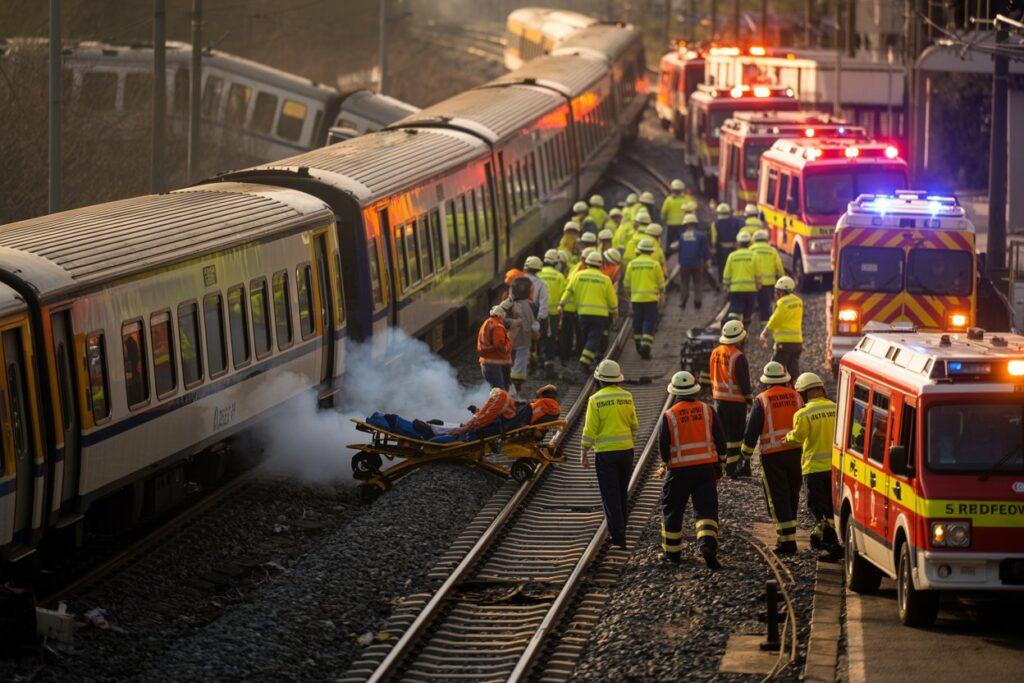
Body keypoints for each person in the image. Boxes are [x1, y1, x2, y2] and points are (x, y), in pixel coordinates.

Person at [658, 371, 726, 568]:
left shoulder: (669, 415)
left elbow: (664, 448)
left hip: (678, 471)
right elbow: (720, 441)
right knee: (706, 509)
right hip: (705, 469)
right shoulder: (707, 410)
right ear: (694, 390)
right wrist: (720, 463)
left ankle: (672, 554)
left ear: (675, 392)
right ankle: (707, 546)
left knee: (672, 509)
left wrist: (666, 463)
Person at [741, 361, 803, 555]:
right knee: (793, 492)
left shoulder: (762, 400)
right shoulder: (797, 397)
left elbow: (752, 430)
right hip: (796, 452)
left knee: (778, 496)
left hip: (772, 456)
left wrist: (745, 455)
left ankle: (787, 541)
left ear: (766, 381)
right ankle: (790, 536)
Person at [581, 359, 639, 548]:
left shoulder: (595, 400)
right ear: (618, 379)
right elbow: (634, 425)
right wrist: (632, 444)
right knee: (622, 492)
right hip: (626, 452)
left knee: (610, 494)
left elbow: (590, 429)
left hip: (606, 454)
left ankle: (618, 537)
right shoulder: (627, 396)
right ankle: (621, 527)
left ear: (599, 380)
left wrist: (584, 451)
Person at [786, 372, 841, 561]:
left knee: (818, 508)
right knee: (833, 507)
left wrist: (785, 438)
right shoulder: (836, 408)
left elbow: (797, 438)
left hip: (814, 469)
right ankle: (820, 538)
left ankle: (832, 545)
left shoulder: (803, 414)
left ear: (804, 394)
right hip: (835, 469)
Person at [560, 250, 618, 369]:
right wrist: (614, 311)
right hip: (600, 315)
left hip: (582, 314)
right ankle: (585, 362)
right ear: (600, 264)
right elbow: (612, 299)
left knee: (586, 337)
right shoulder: (605, 279)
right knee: (594, 338)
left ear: (587, 263)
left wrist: (561, 304)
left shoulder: (578, 276)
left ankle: (586, 359)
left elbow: (568, 291)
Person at [710, 320, 753, 477]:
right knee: (735, 436)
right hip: (735, 403)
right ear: (740, 338)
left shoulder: (715, 352)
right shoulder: (738, 356)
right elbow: (744, 382)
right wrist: (749, 400)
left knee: (723, 434)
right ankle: (732, 468)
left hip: (718, 401)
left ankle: (723, 464)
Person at [623, 238, 665, 359]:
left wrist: (631, 296)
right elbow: (661, 284)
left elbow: (626, 284)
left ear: (639, 250)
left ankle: (638, 346)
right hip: (651, 300)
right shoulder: (655, 264)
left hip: (636, 300)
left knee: (637, 323)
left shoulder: (632, 264)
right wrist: (662, 295)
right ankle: (645, 347)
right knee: (649, 322)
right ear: (651, 251)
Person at [759, 276, 803, 378]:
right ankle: (797, 391)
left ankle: (773, 391)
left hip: (784, 344)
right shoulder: (798, 301)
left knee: (773, 371)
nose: (776, 294)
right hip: (797, 343)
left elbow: (775, 319)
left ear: (781, 292)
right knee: (794, 372)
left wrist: (764, 333)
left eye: (777, 291)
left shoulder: (782, 303)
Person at [502, 294, 537, 396]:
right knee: (516, 360)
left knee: (515, 360)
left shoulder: (516, 305)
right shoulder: (521, 306)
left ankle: (513, 387)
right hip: (514, 340)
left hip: (514, 340)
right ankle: (513, 386)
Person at [450, 387, 518, 439]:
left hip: (502, 425)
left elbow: (487, 415)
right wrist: (474, 415)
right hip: (505, 423)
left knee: (471, 433)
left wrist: (466, 428)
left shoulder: (500, 395)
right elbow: (485, 414)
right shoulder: (502, 397)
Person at [538, 250, 567, 373]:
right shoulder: (559, 276)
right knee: (550, 338)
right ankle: (549, 363)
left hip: (539, 313)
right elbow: (563, 295)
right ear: (556, 262)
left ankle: (540, 360)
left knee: (539, 337)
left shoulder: (538, 275)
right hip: (553, 314)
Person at [723, 231, 757, 327]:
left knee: (734, 313)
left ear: (738, 243)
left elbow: (727, 275)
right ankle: (745, 332)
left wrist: (726, 286)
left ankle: (733, 333)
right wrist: (758, 285)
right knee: (747, 315)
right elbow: (758, 274)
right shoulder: (754, 255)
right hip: (750, 290)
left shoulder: (732, 256)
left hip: (736, 290)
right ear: (750, 243)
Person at [677, 213, 711, 311]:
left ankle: (683, 301)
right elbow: (704, 249)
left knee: (684, 283)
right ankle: (697, 301)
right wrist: (706, 260)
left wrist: (680, 262)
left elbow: (680, 250)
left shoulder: (682, 236)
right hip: (697, 263)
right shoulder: (701, 235)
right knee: (698, 282)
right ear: (695, 224)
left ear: (686, 224)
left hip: (684, 264)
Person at [750, 229, 785, 324]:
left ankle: (756, 318)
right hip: (770, 281)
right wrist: (782, 277)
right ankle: (765, 319)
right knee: (767, 301)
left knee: (758, 301)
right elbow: (779, 265)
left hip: (755, 282)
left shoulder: (751, 250)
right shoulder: (772, 250)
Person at [477, 305, 515, 390]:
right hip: (495, 364)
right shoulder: (497, 326)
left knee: (494, 390)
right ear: (500, 316)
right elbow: (499, 345)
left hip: (487, 363)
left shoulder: (487, 322)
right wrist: (509, 345)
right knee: (499, 391)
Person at [661, 179, 697, 255]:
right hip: (682, 225)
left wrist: (663, 220)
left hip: (671, 225)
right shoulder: (686, 199)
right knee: (682, 242)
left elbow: (663, 212)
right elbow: (693, 207)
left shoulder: (669, 200)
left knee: (670, 244)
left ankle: (668, 256)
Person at [713, 202, 742, 284]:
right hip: (734, 248)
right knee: (734, 265)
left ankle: (723, 281)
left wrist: (714, 249)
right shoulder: (735, 222)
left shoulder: (716, 223)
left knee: (722, 266)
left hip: (722, 249)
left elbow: (714, 239)